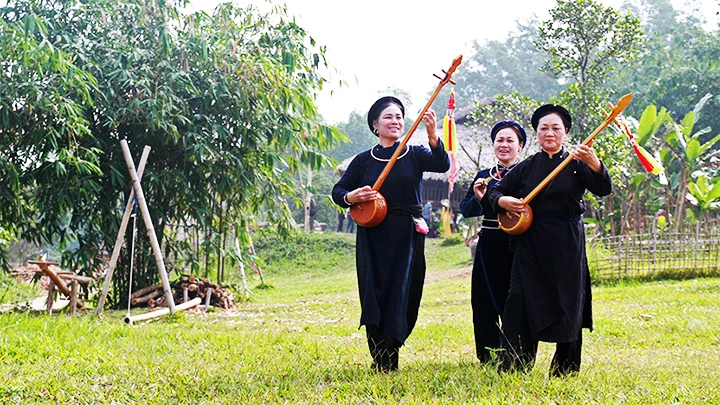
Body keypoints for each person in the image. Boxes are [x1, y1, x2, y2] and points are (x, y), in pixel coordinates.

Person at [486, 104, 613, 377]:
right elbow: (495, 191)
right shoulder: (527, 166)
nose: (549, 133)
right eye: (543, 128)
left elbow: (603, 188)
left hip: (567, 243)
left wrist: (594, 163)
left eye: (556, 128)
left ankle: (565, 368)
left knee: (568, 301)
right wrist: (504, 200)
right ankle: (515, 364)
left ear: (565, 132)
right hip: (531, 244)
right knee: (519, 299)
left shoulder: (578, 165)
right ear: (537, 133)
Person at [332, 96, 450, 372]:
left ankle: (390, 349)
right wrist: (352, 195)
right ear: (375, 124)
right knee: (375, 289)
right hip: (373, 233)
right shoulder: (363, 161)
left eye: (399, 116)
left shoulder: (415, 153)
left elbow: (442, 164)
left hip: (406, 233)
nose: (395, 121)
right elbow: (338, 192)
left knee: (402, 290)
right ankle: (379, 355)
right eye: (388, 116)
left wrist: (433, 134)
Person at [459, 120, 526, 363]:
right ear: (493, 145)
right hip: (488, 242)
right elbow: (466, 209)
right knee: (483, 298)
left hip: (519, 243)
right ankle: (488, 354)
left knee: (515, 297)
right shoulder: (484, 176)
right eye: (500, 140)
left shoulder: (526, 174)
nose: (504, 145)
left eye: (510, 141)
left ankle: (516, 351)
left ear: (520, 146)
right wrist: (479, 198)